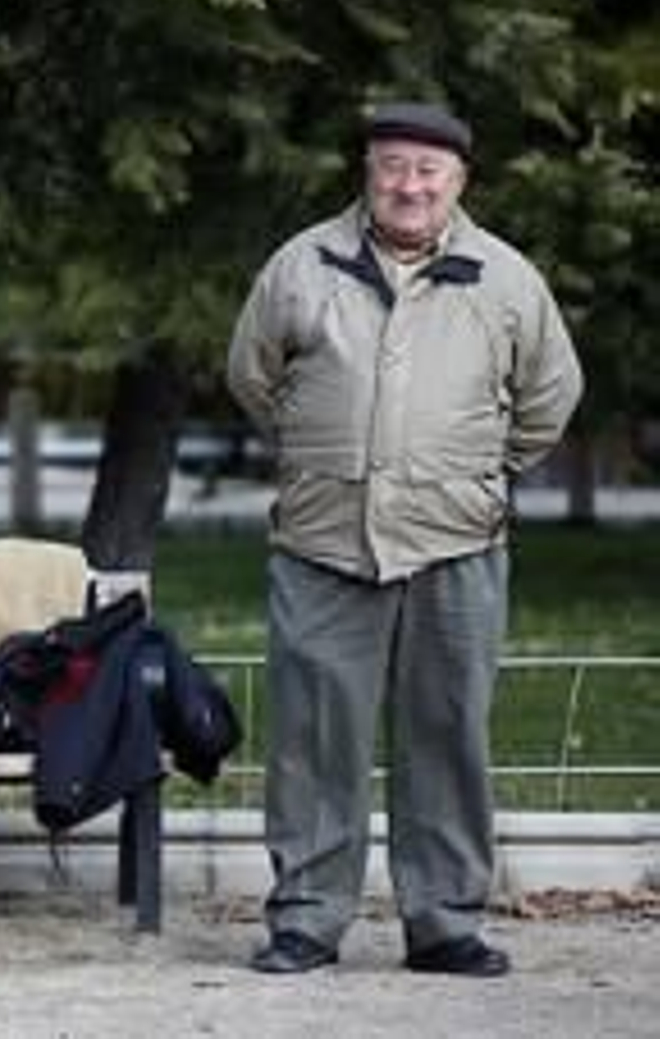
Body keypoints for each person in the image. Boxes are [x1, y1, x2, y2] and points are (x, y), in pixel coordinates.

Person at [227, 102, 583, 978]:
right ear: (368, 171)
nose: (409, 185)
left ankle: (446, 922)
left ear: (459, 181)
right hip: (322, 542)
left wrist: (474, 472)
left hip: (456, 542)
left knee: (449, 732)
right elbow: (253, 376)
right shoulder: (301, 265)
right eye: (393, 165)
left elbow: (550, 395)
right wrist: (323, 451)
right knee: (315, 738)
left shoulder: (505, 278)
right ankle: (307, 920)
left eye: (429, 170)